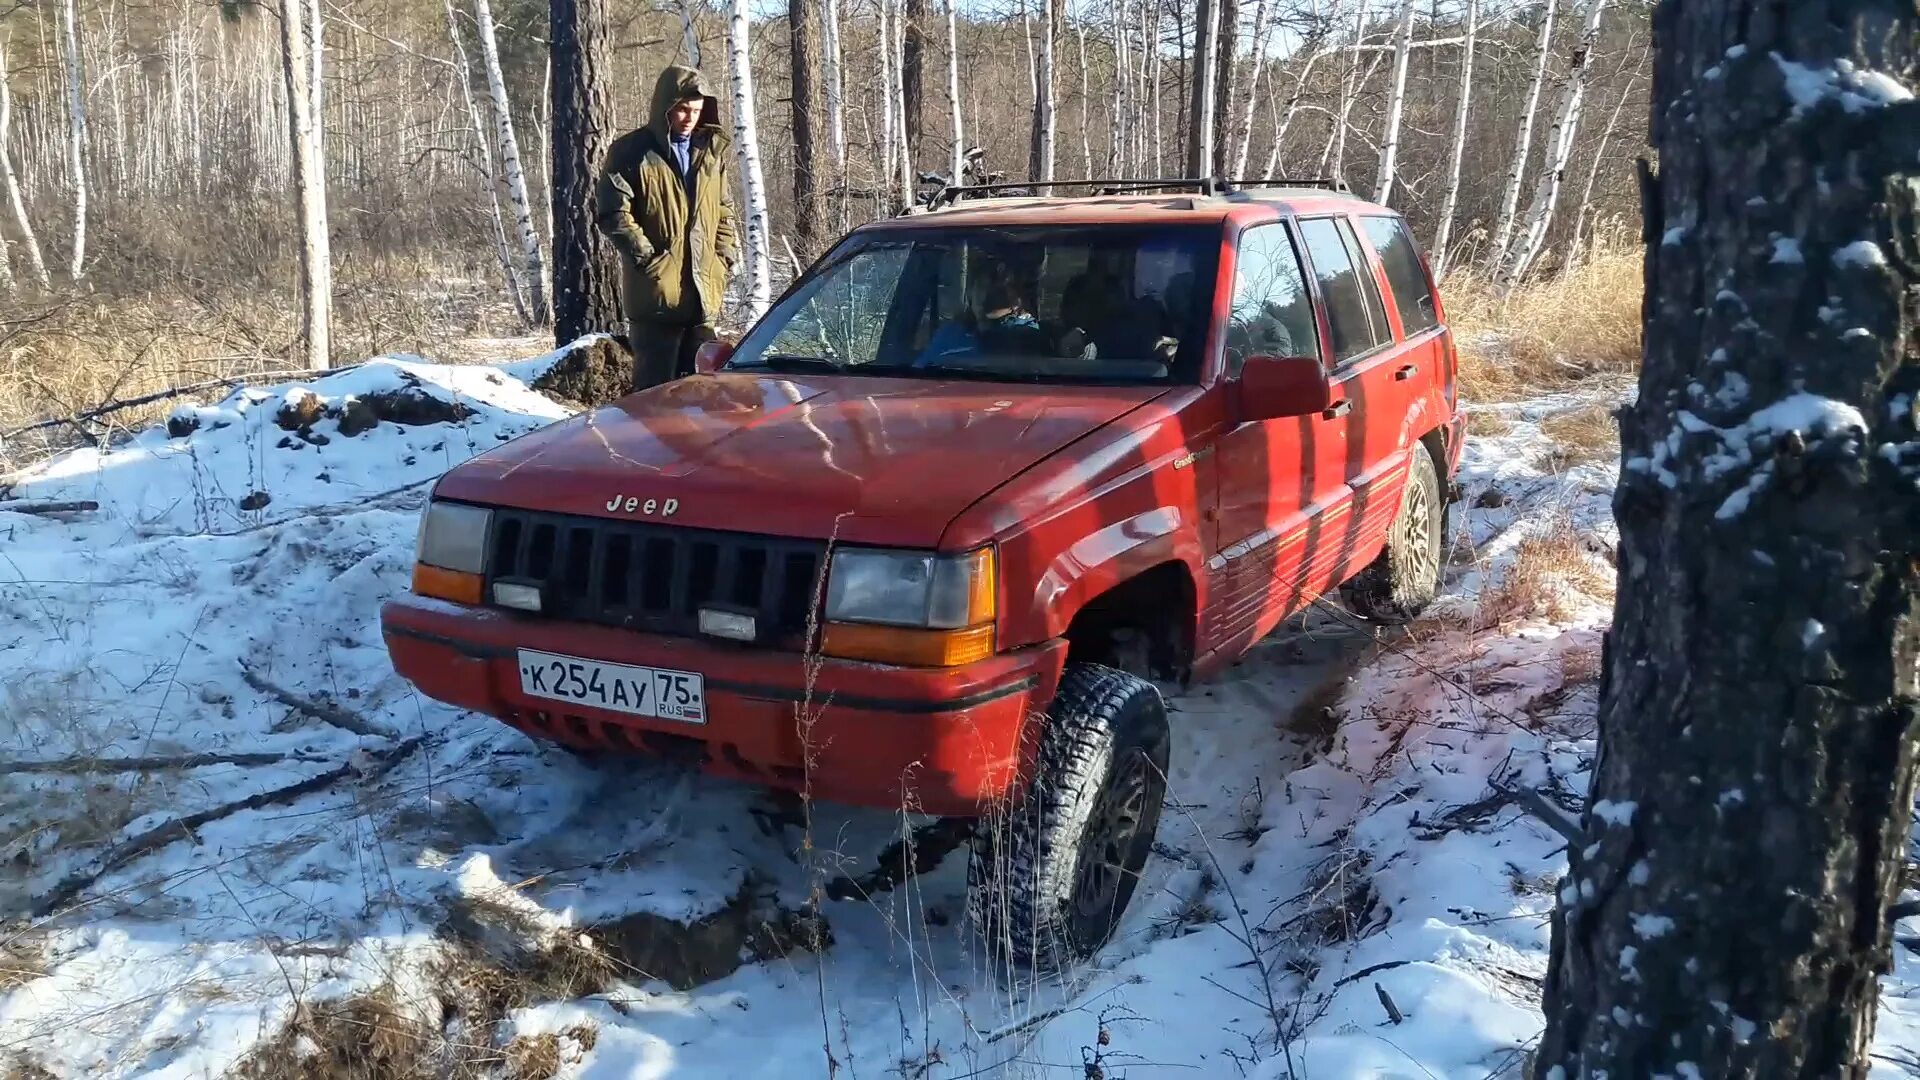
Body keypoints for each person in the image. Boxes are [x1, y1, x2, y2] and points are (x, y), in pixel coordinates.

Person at [595, 64, 740, 392]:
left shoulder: (710, 153)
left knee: (701, 395)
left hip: (703, 295)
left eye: (697, 110)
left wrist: (723, 257)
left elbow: (724, 211)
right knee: (652, 397)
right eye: (682, 110)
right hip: (655, 299)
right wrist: (649, 261)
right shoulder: (632, 152)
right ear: (665, 108)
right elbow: (614, 213)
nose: (690, 118)